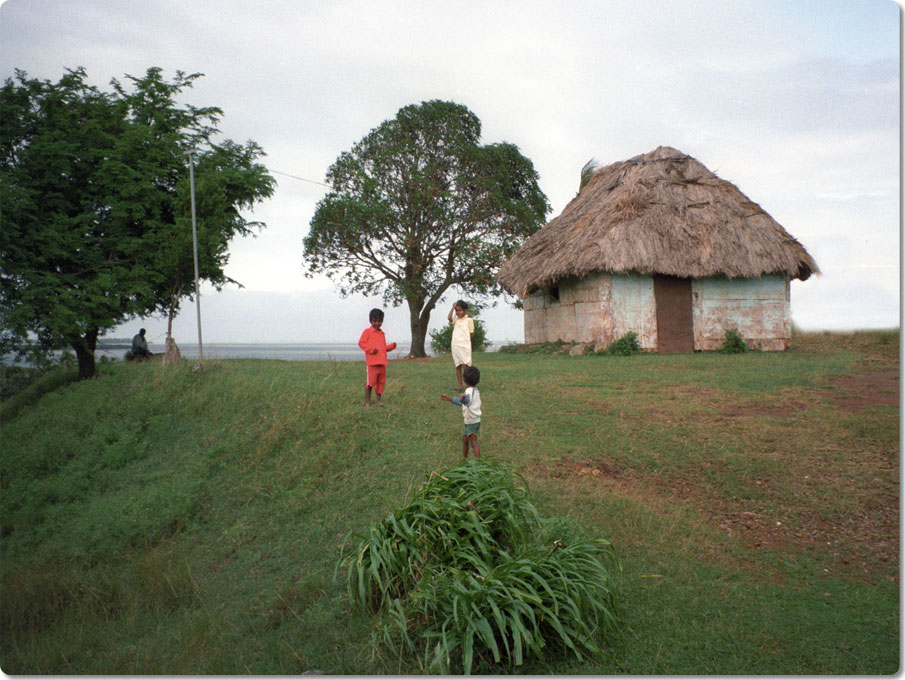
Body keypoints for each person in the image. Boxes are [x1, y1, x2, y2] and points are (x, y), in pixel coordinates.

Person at [358, 308, 397, 407]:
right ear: (370, 321)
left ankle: (378, 400)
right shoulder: (367, 332)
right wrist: (371, 349)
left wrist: (391, 347)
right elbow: (361, 343)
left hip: (382, 363)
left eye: (379, 321)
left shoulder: (381, 334)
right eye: (374, 321)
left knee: (381, 383)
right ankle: (368, 402)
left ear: (382, 321)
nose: (377, 323)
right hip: (372, 364)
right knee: (370, 383)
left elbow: (383, 348)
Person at [440, 365, 481, 459]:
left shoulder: (469, 391)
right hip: (472, 420)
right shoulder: (474, 391)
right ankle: (464, 459)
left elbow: (467, 401)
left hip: (472, 421)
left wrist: (463, 398)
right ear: (478, 380)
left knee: (473, 442)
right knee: (465, 440)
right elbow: (464, 403)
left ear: (463, 379)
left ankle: (478, 463)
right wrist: (450, 399)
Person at [447, 300, 475, 392]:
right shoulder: (456, 320)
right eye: (457, 311)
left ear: (465, 310)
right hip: (455, 345)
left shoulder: (469, 320)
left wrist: (466, 342)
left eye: (460, 310)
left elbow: (471, 334)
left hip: (465, 345)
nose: (458, 312)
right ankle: (460, 386)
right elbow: (449, 318)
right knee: (458, 366)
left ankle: (468, 385)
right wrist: (452, 307)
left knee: (465, 366)